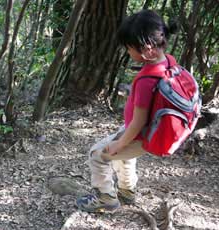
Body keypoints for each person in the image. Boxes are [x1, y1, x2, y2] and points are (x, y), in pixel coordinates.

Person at [76, 10, 178, 212]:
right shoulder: (168, 62)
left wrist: (119, 143)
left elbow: (138, 121)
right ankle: (127, 191)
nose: (127, 52)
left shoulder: (147, 80)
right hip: (149, 131)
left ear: (147, 49)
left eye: (129, 48)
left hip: (140, 133)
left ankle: (107, 199)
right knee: (125, 157)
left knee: (97, 154)